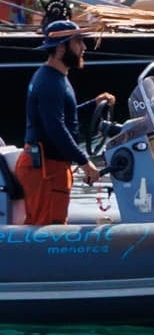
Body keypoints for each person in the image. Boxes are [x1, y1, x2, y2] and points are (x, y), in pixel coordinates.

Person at [12, 19, 110, 226]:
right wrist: (85, 163)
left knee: (52, 224)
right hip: (46, 170)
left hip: (49, 168)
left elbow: (62, 117)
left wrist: (93, 104)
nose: (84, 47)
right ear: (60, 48)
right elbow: (55, 127)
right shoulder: (50, 82)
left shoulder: (55, 78)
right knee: (48, 230)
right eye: (78, 42)